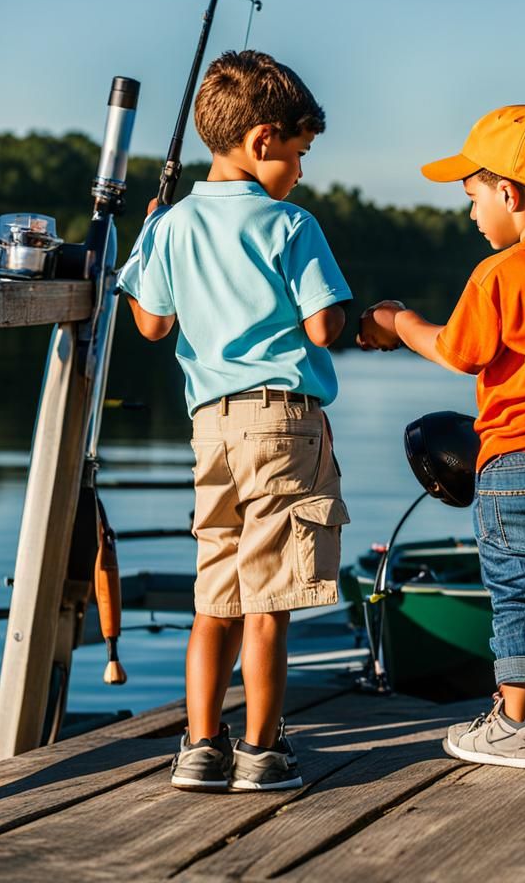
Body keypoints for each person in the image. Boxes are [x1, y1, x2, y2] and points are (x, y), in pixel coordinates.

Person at [358, 103, 525, 773]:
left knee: (516, 591)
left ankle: (515, 723)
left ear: (508, 193)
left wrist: (399, 322)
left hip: (511, 468)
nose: (471, 211)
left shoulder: (498, 274)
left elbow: (459, 351)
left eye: (473, 196)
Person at [118, 50, 352, 791]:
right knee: (271, 597)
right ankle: (260, 751)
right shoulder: (291, 224)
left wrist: (148, 236)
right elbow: (322, 327)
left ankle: (198, 748)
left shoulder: (171, 226)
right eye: (299, 152)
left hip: (209, 428)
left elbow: (151, 325)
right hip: (281, 423)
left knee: (214, 593)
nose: (302, 172)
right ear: (261, 141)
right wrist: (353, 316)